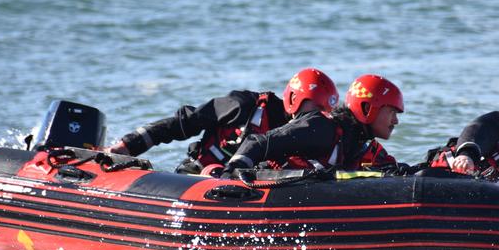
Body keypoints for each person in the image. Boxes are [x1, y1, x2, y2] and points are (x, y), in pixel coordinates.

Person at [106, 68, 339, 174]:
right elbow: (185, 122)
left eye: (324, 110)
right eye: (316, 107)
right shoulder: (244, 106)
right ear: (293, 99)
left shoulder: (306, 136)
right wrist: (129, 144)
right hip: (196, 178)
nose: (318, 116)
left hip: (248, 192)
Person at [222, 74, 404, 175]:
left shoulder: (362, 144)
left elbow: (397, 175)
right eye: (392, 112)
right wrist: (228, 177)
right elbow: (258, 143)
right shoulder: (323, 128)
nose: (395, 121)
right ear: (368, 108)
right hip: (269, 192)